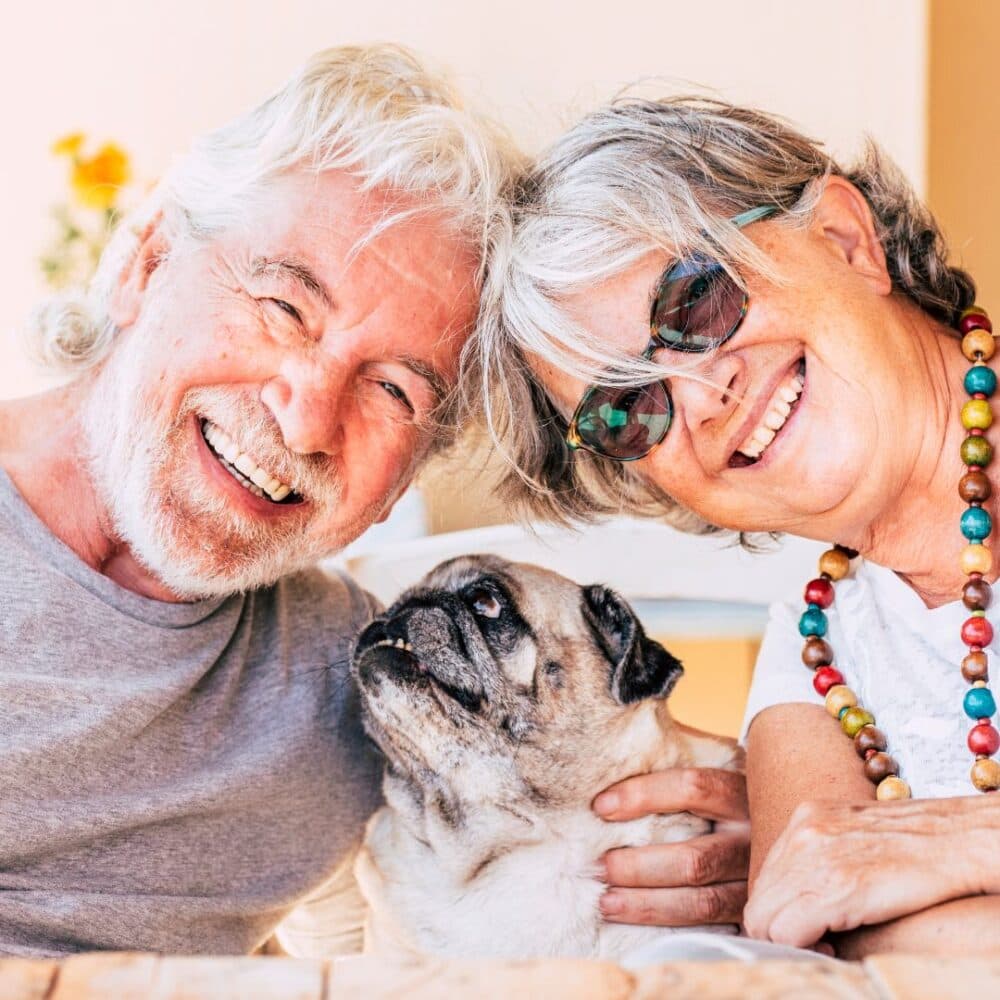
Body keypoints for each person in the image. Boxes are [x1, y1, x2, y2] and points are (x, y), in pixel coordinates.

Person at [0, 47, 748, 958]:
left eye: (395, 389)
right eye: (283, 307)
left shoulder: (364, 678)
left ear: (413, 470)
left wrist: (743, 827)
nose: (308, 418)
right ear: (146, 261)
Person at [478, 95, 1000, 956]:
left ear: (844, 238)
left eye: (697, 301)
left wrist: (969, 840)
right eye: (626, 411)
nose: (704, 397)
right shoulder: (817, 638)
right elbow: (828, 922)